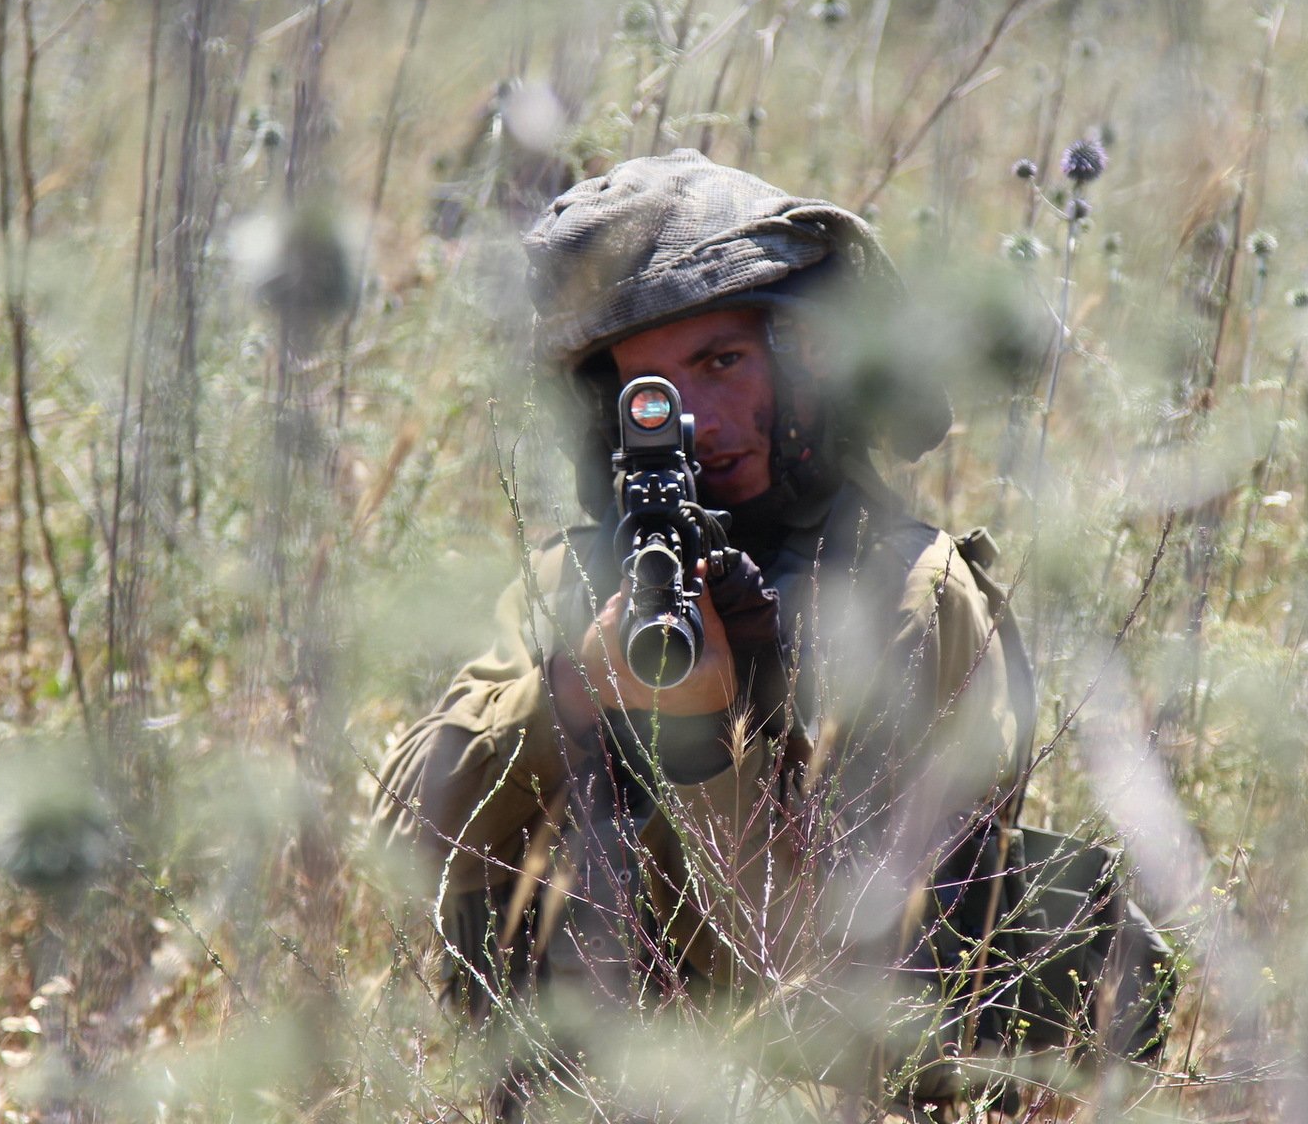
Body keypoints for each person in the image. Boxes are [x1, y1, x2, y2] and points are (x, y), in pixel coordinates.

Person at [371, 150, 1040, 1115]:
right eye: (646, 389)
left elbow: (818, 967)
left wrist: (703, 750)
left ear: (807, 358)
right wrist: (570, 696)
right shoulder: (571, 583)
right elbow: (405, 850)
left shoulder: (913, 596)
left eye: (721, 363)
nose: (694, 421)